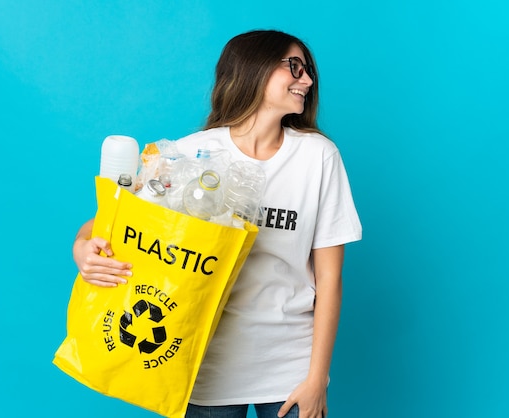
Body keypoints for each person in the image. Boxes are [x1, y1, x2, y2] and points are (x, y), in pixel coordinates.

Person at [73, 29, 362, 418]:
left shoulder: (319, 157)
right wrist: (83, 248)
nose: (307, 80)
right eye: (294, 67)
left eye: (308, 70)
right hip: (204, 364)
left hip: (290, 367)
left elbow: (329, 279)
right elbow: (111, 222)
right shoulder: (191, 153)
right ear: (253, 69)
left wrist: (317, 378)